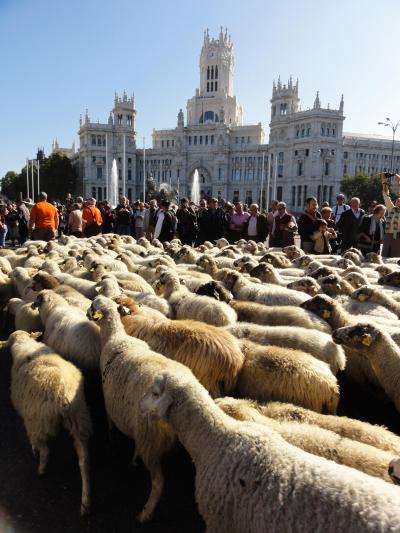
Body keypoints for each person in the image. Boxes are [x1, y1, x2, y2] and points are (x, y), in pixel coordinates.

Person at [381, 173, 400, 257]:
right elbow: (386, 195)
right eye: (397, 201)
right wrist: (384, 182)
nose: (399, 202)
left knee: (395, 259)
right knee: (385, 257)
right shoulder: (392, 208)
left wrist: (399, 182)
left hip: (398, 237)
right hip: (388, 236)